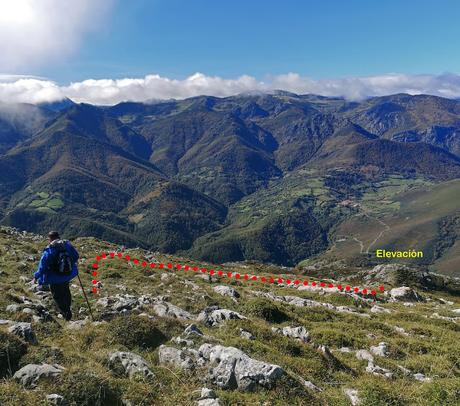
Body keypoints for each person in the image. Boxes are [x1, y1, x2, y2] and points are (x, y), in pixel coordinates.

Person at [34, 231, 79, 321]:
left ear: (50, 239)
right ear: (58, 237)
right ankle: (67, 309)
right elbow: (76, 256)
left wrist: (36, 276)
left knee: (57, 296)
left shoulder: (50, 249)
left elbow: (43, 266)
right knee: (66, 292)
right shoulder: (67, 245)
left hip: (54, 278)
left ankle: (66, 314)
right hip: (66, 275)